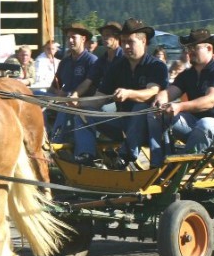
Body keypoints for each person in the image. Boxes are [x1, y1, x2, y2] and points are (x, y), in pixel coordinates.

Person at [72, 18, 169, 168]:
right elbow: (99, 99)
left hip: (148, 127)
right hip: (122, 123)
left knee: (141, 107)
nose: (126, 46)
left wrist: (129, 93)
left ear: (144, 42)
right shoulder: (116, 67)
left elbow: (152, 92)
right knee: (82, 112)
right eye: (123, 42)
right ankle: (86, 156)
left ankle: (126, 156)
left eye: (130, 42)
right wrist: (77, 103)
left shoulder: (156, 65)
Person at [156, 29, 214, 155]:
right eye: (189, 48)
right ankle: (163, 162)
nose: (190, 51)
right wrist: (160, 99)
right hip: (197, 126)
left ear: (209, 49)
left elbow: (210, 101)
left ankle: (181, 165)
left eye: (195, 47)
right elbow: (169, 92)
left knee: (204, 124)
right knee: (159, 117)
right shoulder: (187, 75)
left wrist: (180, 106)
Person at [49, 23, 98, 160]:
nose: (70, 40)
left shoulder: (92, 61)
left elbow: (92, 87)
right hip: (64, 99)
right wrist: (58, 92)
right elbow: (53, 86)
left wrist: (71, 95)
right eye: (68, 37)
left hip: (84, 102)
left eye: (73, 37)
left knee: (65, 108)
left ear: (83, 39)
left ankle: (55, 145)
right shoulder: (65, 62)